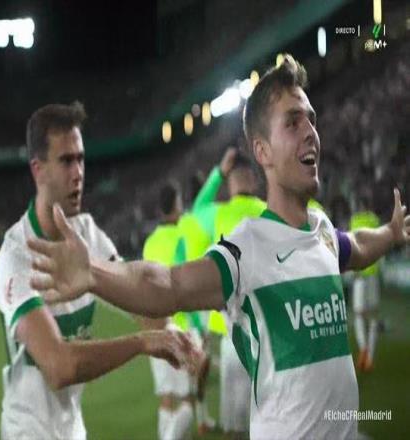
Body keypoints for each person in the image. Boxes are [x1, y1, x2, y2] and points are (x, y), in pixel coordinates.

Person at [27, 56, 410, 439]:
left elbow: (357, 246)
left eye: (311, 119)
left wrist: (391, 233)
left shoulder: (322, 230)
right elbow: (169, 284)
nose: (311, 131)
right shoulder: (249, 246)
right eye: (293, 122)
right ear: (262, 152)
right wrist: (94, 272)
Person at [0, 102, 197, 440]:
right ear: (38, 170)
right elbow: (59, 367)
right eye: (66, 161)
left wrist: (180, 337)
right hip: (27, 430)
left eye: (81, 159)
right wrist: (142, 343)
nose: (78, 172)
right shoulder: (17, 254)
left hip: (72, 428)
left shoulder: (88, 234)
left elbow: (139, 303)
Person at [195, 148, 266, 439]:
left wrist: (218, 173)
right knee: (271, 420)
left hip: (233, 334)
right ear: (254, 180)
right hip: (269, 334)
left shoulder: (218, 214)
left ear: (231, 182)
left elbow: (197, 208)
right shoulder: (268, 211)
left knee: (234, 426)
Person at [142, 180, 198, 440]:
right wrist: (199, 328)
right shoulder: (182, 238)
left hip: (155, 328)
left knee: (166, 398)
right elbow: (187, 288)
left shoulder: (150, 243)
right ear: (176, 205)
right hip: (180, 329)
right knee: (188, 398)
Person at [349, 195, 381, 372]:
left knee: (359, 314)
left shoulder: (355, 221)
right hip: (373, 274)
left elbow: (352, 247)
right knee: (372, 316)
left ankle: (364, 350)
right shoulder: (374, 220)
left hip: (360, 274)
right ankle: (369, 356)